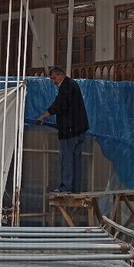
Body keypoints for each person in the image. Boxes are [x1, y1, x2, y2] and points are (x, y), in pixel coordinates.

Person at [36, 66, 90, 194]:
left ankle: (65, 187)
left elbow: (59, 104)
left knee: (67, 159)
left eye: (54, 78)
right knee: (76, 160)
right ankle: (75, 188)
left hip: (69, 130)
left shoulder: (66, 87)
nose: (53, 81)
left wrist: (44, 115)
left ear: (61, 75)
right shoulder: (73, 85)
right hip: (79, 129)